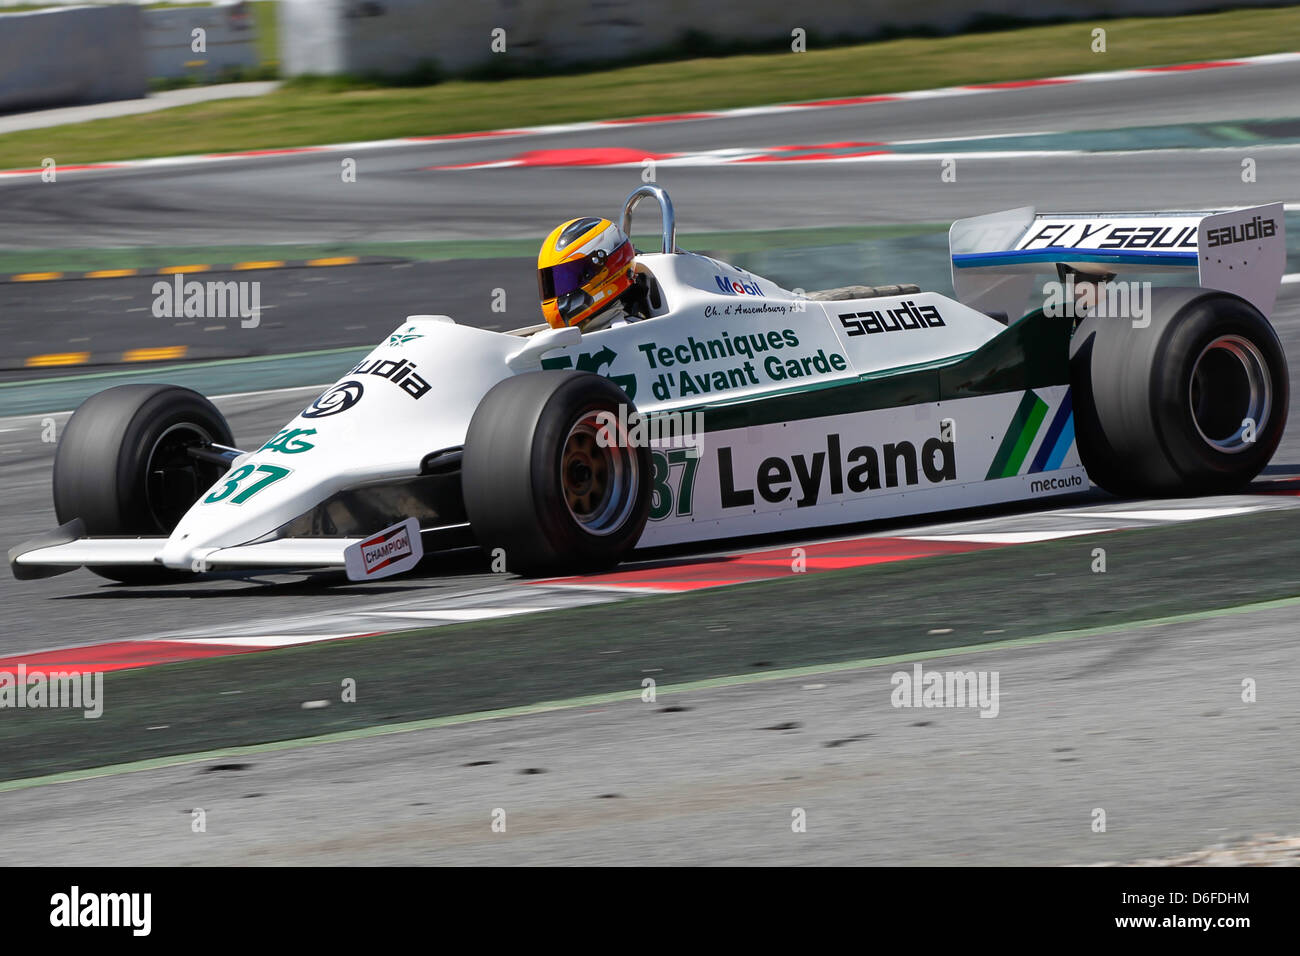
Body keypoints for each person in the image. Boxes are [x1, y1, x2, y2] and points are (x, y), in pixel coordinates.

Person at [537, 217, 649, 331]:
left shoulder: (635, 332)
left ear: (604, 272)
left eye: (569, 279)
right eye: (554, 282)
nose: (558, 289)